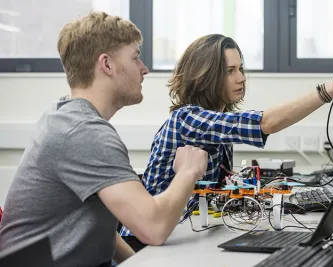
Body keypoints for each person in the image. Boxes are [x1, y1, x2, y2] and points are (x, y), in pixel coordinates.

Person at [119, 34, 333, 248]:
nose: (241, 77)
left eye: (240, 68)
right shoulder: (188, 120)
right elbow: (266, 123)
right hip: (145, 245)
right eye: (230, 71)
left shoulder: (218, 121)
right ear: (205, 76)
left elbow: (218, 192)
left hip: (183, 235)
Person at [0, 11, 208, 267]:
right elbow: (154, 228)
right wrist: (187, 172)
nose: (144, 69)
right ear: (107, 64)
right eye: (136, 57)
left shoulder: (63, 113)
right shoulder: (84, 132)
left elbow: (96, 226)